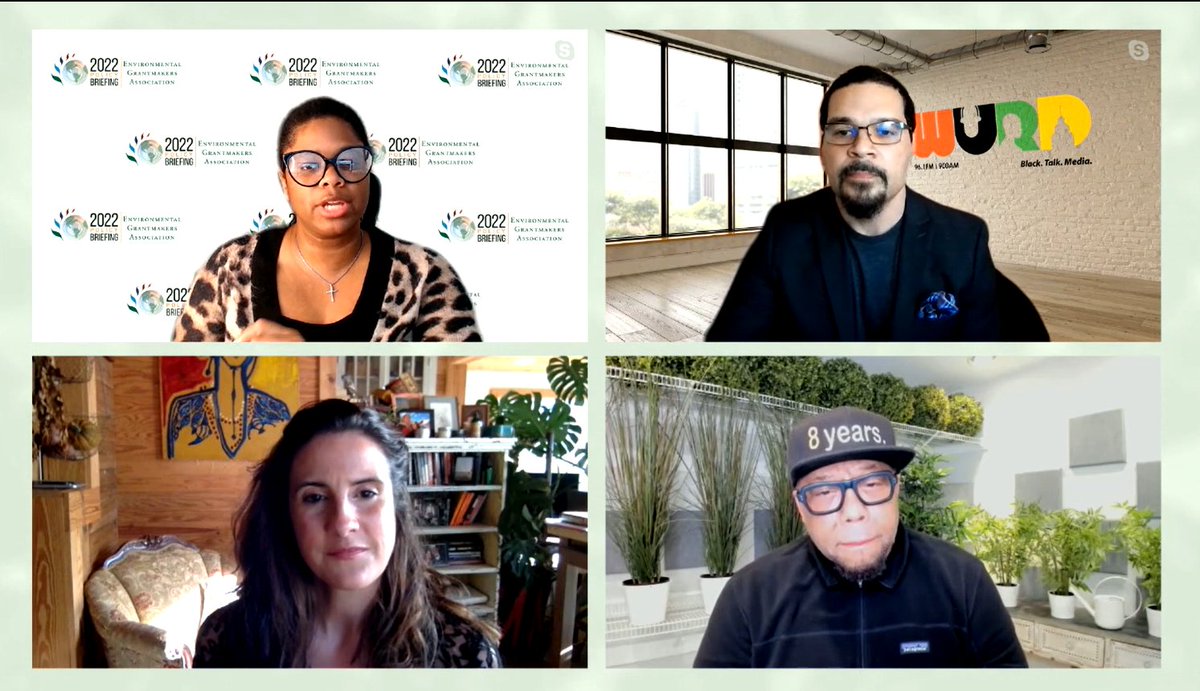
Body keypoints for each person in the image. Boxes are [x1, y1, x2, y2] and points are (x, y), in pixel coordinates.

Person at [693, 406, 1026, 668]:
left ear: (897, 490)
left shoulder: (963, 581)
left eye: (871, 484)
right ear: (800, 506)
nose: (853, 511)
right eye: (824, 490)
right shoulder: (749, 597)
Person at [194, 399, 500, 667]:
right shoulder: (224, 641)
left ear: (397, 507)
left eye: (366, 493)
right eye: (314, 498)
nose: (343, 522)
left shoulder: (466, 655)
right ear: (284, 515)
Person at [706, 65, 999, 342]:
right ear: (822, 149)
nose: (861, 148)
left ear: (912, 144)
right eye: (843, 131)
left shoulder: (965, 237)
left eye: (885, 130)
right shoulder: (785, 229)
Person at [172, 97, 482, 342]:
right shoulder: (230, 266)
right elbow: (192, 368)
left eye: (349, 162)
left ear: (367, 172)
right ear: (284, 183)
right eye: (308, 166)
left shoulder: (425, 273)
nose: (332, 179)